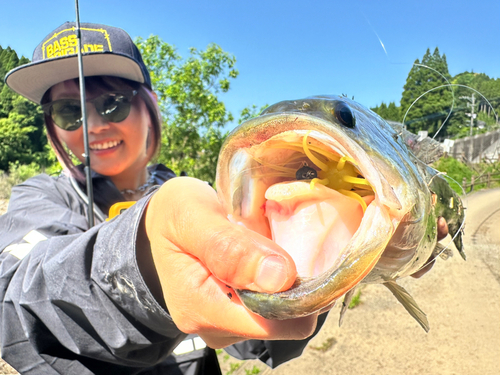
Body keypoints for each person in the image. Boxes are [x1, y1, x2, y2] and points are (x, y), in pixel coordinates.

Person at [1, 22, 448, 375]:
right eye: (68, 110)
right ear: (50, 125)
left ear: (149, 106)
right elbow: (14, 306)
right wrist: (145, 267)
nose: (92, 125)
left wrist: (325, 268)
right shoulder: (39, 199)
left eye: (112, 103)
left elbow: (255, 343)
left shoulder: (210, 200)